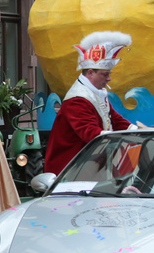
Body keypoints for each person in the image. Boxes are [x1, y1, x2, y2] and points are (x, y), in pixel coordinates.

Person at [42, 31, 133, 175]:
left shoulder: (95, 93)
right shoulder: (77, 99)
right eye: (105, 74)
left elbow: (114, 118)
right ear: (90, 73)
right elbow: (89, 132)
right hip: (72, 167)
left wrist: (135, 130)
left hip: (90, 163)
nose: (109, 78)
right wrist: (121, 138)